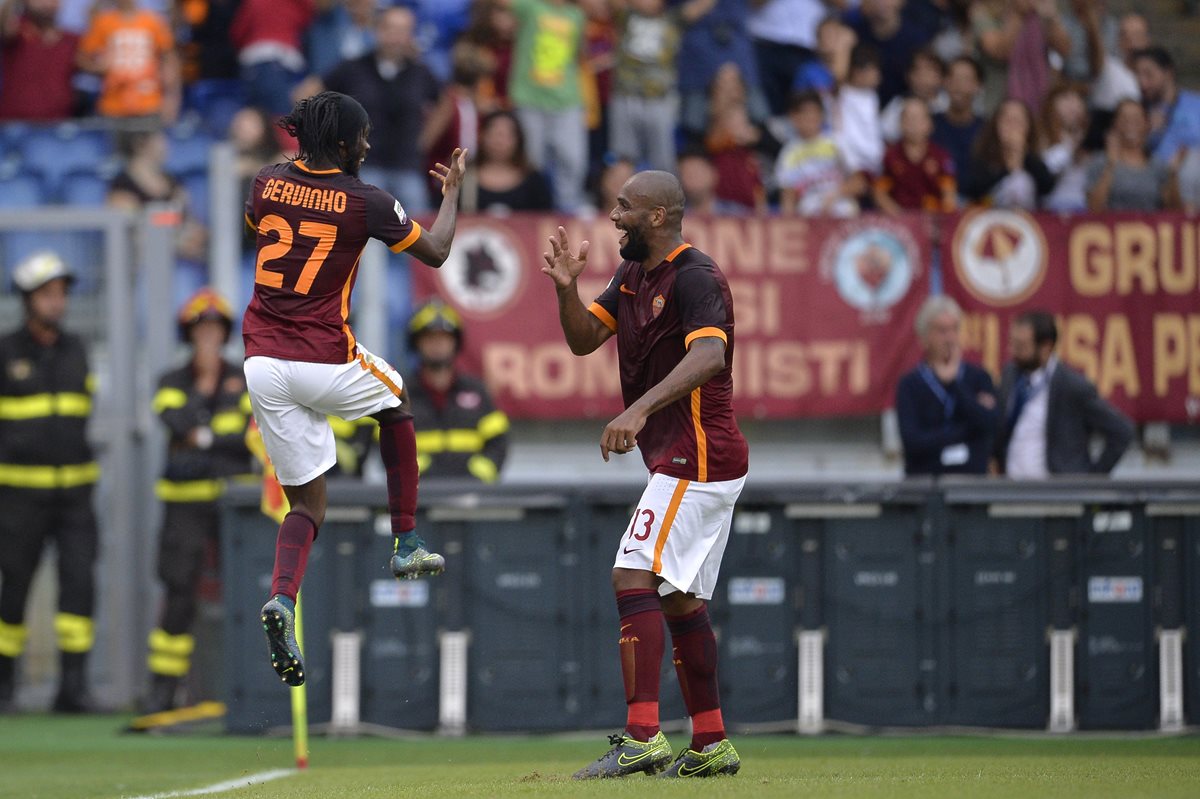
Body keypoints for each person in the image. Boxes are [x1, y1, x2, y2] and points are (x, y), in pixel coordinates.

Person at [242, 91, 467, 688]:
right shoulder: (364, 199)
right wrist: (452, 197)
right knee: (397, 403)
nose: (369, 146)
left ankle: (283, 600)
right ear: (345, 143)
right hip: (320, 354)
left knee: (307, 505)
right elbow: (438, 251)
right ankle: (407, 541)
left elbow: (262, 227)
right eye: (363, 137)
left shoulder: (265, 182)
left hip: (262, 361)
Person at [543, 170, 748, 778]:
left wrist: (635, 409)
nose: (613, 216)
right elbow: (584, 342)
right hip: (688, 456)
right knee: (680, 599)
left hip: (699, 453)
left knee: (630, 573)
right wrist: (565, 290)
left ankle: (642, 736)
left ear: (658, 216)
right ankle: (711, 744)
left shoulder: (696, 276)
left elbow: (710, 355)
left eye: (625, 207)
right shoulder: (633, 275)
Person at [140, 289, 253, 714]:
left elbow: (246, 435)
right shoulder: (171, 380)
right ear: (188, 333)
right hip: (183, 506)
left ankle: (251, 687)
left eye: (214, 328)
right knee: (178, 591)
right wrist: (214, 436)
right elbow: (173, 419)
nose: (207, 335)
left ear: (224, 333)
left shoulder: (244, 377)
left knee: (247, 591)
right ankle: (163, 690)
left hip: (233, 505)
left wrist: (202, 438)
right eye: (199, 328)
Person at [0, 252, 101, 713]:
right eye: (47, 294)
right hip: (19, 496)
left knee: (79, 585)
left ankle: (73, 689)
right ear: (27, 299)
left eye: (61, 293)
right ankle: (4, 687)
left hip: (76, 496)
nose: (57, 302)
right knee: (14, 587)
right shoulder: (6, 352)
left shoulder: (77, 347)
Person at [312, 6, 441, 214]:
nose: (395, 37)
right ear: (377, 30)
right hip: (364, 166)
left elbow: (445, 102)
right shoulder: (353, 67)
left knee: (418, 234)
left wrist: (425, 139)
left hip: (407, 165)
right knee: (366, 236)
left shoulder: (421, 73)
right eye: (390, 29)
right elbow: (310, 93)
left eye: (403, 31)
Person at [994, 310, 1134, 478]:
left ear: (1045, 347)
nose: (1013, 351)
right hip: (1010, 492)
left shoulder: (1072, 386)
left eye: (1021, 346)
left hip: (1058, 495)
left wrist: (1092, 479)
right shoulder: (1010, 375)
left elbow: (1122, 431)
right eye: (1012, 343)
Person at [405, 301, 510, 483]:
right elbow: (387, 444)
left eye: (444, 337)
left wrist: (479, 473)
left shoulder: (477, 391)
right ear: (416, 343)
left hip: (472, 499)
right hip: (420, 497)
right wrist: (417, 470)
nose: (437, 345)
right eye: (429, 338)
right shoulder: (401, 395)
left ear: (456, 342)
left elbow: (498, 442)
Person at [608, 0, 715, 172]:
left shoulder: (673, 19)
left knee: (663, 161)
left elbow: (700, 6)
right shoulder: (627, 15)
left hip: (659, 99)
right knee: (623, 157)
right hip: (625, 95)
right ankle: (624, 197)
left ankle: (663, 197)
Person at [895, 296, 996, 476]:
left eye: (954, 329)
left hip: (971, 483)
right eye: (942, 331)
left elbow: (989, 426)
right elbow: (913, 442)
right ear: (924, 337)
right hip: (926, 482)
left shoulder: (978, 376)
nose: (950, 338)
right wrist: (966, 431)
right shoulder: (910, 383)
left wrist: (955, 383)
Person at [505, 0, 588, 211]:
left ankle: (568, 208)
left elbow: (578, 53)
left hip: (567, 99)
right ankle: (533, 208)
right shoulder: (530, 6)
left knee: (573, 159)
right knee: (532, 161)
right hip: (529, 98)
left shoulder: (577, 15)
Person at [77, 0, 179, 122]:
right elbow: (82, 58)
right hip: (113, 104)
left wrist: (171, 99)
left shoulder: (152, 21)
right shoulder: (103, 22)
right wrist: (98, 68)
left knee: (151, 140)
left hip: (149, 103)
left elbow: (169, 59)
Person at [1085, 98, 1181, 212]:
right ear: (1115, 124)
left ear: (1146, 124)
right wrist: (1111, 164)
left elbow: (1174, 211)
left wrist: (1173, 175)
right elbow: (1093, 208)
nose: (1130, 124)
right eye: (1124, 119)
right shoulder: (1100, 162)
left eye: (1136, 119)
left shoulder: (1158, 165)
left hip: (1148, 228)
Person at [775, 90, 858, 217]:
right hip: (809, 220)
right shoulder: (788, 154)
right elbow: (788, 197)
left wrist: (837, 194)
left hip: (843, 213)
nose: (810, 118)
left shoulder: (837, 143)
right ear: (793, 117)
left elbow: (860, 182)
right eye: (804, 113)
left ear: (821, 115)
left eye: (814, 112)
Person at [960, 99, 1053, 210]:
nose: (1012, 127)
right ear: (996, 125)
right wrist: (1007, 168)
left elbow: (1047, 186)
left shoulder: (1033, 158)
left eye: (1018, 121)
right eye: (1007, 121)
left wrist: (1022, 156)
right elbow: (971, 190)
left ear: (1029, 126)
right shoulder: (983, 156)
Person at [874, 97, 956, 213]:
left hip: (932, 221)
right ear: (900, 123)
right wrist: (899, 216)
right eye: (908, 118)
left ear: (929, 124)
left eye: (918, 119)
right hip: (900, 221)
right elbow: (880, 193)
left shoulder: (941, 156)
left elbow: (949, 194)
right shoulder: (890, 156)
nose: (913, 124)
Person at [0, 0, 79, 121]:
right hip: (15, 127)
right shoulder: (17, 33)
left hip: (60, 128)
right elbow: (3, 23)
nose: (47, 3)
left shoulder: (71, 40)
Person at [464, 110, 554, 213]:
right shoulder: (464, 177)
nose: (499, 141)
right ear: (482, 136)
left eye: (507, 136)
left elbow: (546, 220)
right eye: (494, 134)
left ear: (518, 140)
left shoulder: (534, 181)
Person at [1131, 46, 1200, 165]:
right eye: (1137, 75)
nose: (1142, 82)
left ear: (1168, 72)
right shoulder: (1137, 111)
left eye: (1148, 74)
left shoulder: (1195, 104)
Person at [932, 55, 984, 181]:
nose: (958, 85)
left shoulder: (986, 130)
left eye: (966, 79)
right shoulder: (929, 125)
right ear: (945, 82)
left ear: (978, 86)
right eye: (953, 78)